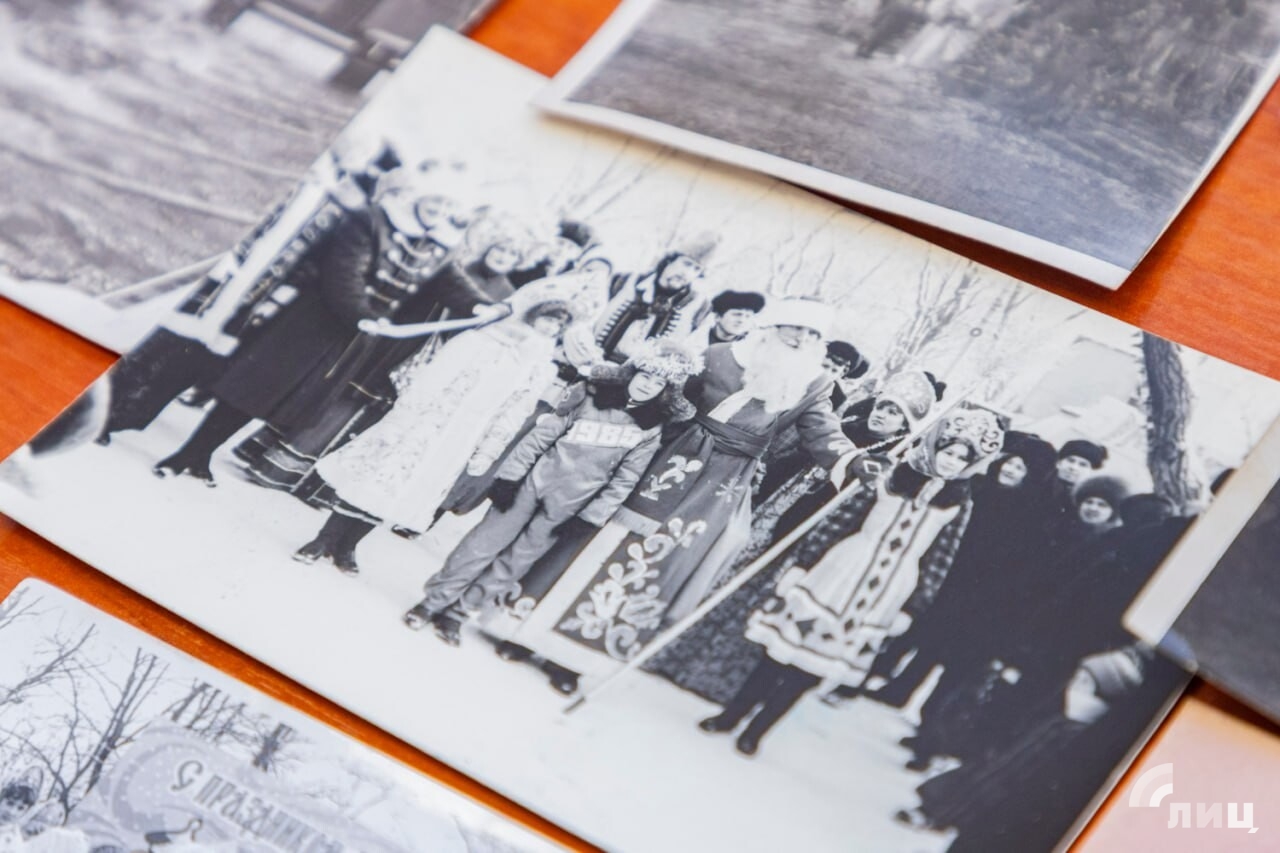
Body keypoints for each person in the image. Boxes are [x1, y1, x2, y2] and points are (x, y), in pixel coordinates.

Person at [500, 299, 866, 694]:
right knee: (601, 535)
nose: (801, 339)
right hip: (666, 457)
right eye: (795, 328)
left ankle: (574, 657)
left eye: (812, 334)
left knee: (656, 564)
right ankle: (525, 630)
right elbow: (666, 397)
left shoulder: (814, 384)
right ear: (772, 328)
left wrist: (853, 460)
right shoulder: (718, 355)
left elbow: (823, 432)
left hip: (722, 483)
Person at [148, 171, 494, 487]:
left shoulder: (440, 244)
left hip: (350, 338)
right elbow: (344, 274)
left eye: (448, 206)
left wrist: (479, 304)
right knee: (249, 389)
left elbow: (451, 281)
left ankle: (201, 457)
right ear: (419, 197)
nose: (439, 210)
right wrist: (362, 314)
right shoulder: (372, 220)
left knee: (269, 400)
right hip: (312, 323)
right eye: (436, 201)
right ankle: (187, 454)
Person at [696, 403, 1003, 756]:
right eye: (948, 452)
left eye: (961, 459)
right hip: (841, 571)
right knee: (780, 651)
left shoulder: (958, 502)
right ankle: (731, 715)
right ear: (936, 447)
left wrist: (913, 607)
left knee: (814, 668)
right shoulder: (893, 474)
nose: (951, 462)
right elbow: (841, 521)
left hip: (885, 591)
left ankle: (757, 731)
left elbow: (940, 560)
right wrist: (804, 564)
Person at [402, 340, 702, 644]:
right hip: (530, 485)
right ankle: (433, 602)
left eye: (658, 383)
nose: (648, 386)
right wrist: (510, 478)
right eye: (645, 376)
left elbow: (625, 480)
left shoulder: (650, 429)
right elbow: (539, 438)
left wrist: (590, 517)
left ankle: (458, 613)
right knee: (481, 545)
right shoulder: (591, 396)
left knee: (516, 562)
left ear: (665, 391)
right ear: (632, 373)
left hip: (569, 506)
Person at [292, 299, 574, 574]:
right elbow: (432, 378)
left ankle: (348, 545)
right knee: (377, 478)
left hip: (462, 435)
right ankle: (324, 539)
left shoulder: (540, 368)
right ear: (531, 316)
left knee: (405, 492)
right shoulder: (482, 341)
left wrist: (488, 448)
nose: (550, 328)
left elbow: (516, 410)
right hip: (427, 421)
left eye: (558, 326)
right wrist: (403, 416)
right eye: (548, 319)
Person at [868, 432, 1057, 766]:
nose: (1011, 470)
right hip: (953, 583)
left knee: (954, 670)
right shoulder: (979, 490)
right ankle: (898, 692)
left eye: (1021, 468)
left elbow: (1025, 567)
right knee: (926, 642)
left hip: (988, 603)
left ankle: (928, 738)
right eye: (1010, 463)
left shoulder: (1035, 513)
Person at [574, 240, 714, 363]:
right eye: (686, 264)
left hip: (640, 381)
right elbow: (584, 319)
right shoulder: (623, 281)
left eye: (696, 269)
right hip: (589, 361)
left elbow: (693, 351)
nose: (687, 273)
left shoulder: (698, 306)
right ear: (669, 260)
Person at [509, 220, 595, 287]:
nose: (562, 251)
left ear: (576, 254)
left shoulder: (571, 277)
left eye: (570, 248)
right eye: (560, 243)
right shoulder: (528, 260)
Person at [690, 290, 766, 351]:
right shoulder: (693, 340)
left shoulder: (751, 348)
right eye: (737, 314)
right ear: (717, 317)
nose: (742, 320)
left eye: (748, 316)